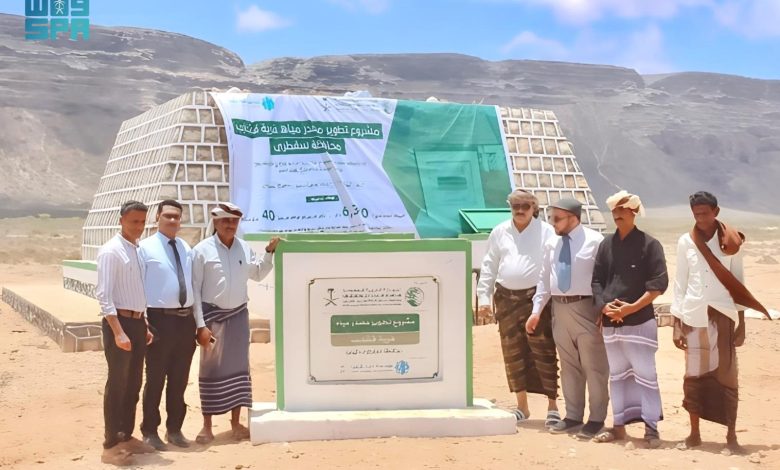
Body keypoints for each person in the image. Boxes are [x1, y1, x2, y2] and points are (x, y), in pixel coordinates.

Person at [671, 191, 769, 453]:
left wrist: (741, 323)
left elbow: (739, 284)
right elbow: (680, 283)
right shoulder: (685, 241)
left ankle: (731, 437)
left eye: (705, 213)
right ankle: (694, 434)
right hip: (693, 315)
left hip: (723, 314)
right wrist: (676, 323)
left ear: (716, 212)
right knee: (693, 375)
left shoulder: (731, 242)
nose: (700, 218)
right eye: (696, 214)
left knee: (727, 377)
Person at [191, 202, 281, 444]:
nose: (230, 225)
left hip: (239, 317)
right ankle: (207, 426)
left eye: (234, 221)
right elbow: (195, 291)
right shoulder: (201, 251)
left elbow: (258, 273)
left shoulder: (243, 248)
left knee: (239, 369)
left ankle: (235, 423)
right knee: (210, 370)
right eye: (225, 220)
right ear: (216, 221)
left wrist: (269, 252)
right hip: (212, 319)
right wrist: (200, 326)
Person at [476, 189, 561, 426]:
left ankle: (552, 406)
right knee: (512, 352)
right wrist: (484, 299)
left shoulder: (547, 232)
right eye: (515, 206)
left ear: (534, 207)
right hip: (505, 299)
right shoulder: (499, 231)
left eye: (525, 206)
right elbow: (489, 265)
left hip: (538, 299)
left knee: (544, 350)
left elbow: (555, 265)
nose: (520, 210)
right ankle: (522, 407)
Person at [590, 191, 668, 447]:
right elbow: (597, 280)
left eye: (622, 210)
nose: (617, 214)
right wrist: (604, 307)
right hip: (611, 323)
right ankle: (619, 427)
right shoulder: (606, 245)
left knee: (645, 374)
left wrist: (630, 309)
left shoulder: (650, 245)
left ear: (634, 212)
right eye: (614, 210)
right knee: (617, 375)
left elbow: (658, 285)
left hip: (640, 322)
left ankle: (651, 428)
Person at [527, 198, 608, 440]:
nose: (552, 223)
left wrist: (603, 310)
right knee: (569, 365)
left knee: (594, 366)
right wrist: (536, 311)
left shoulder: (595, 241)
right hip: (559, 309)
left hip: (586, 307)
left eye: (557, 218)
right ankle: (573, 416)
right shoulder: (551, 243)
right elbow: (544, 278)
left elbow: (605, 278)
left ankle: (596, 419)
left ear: (573, 218)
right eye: (551, 218)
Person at [96, 200, 155, 465]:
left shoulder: (137, 250)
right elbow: (104, 295)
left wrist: (144, 324)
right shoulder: (111, 251)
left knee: (133, 383)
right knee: (118, 383)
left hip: (137, 323)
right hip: (119, 323)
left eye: (142, 221)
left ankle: (125, 435)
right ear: (121, 220)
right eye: (134, 222)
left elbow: (138, 291)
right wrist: (119, 332)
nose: (139, 227)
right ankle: (110, 445)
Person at [138, 200, 197, 450]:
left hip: (185, 321)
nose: (172, 221)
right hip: (158, 321)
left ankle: (175, 429)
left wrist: (199, 323)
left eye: (176, 217)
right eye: (168, 216)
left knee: (179, 379)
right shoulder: (145, 248)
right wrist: (143, 321)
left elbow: (193, 285)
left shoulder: (185, 248)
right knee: (155, 378)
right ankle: (150, 430)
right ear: (157, 218)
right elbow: (139, 286)